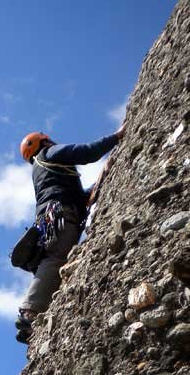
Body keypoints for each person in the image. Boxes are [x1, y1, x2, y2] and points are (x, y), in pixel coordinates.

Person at [14, 123, 126, 343]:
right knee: (55, 259)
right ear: (43, 141)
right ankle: (30, 313)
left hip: (55, 216)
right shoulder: (49, 153)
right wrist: (116, 137)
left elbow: (78, 197)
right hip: (61, 215)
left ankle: (32, 321)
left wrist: (102, 177)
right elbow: (86, 152)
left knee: (54, 260)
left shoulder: (42, 170)